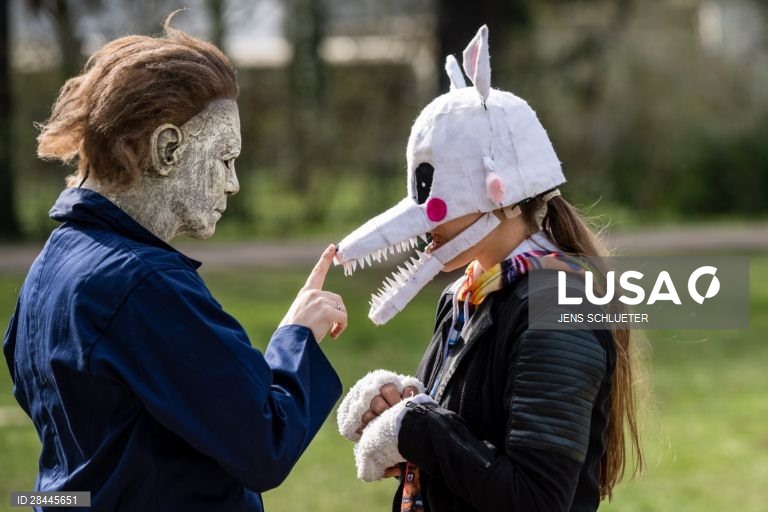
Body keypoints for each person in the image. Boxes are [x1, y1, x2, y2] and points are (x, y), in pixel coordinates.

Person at [3, 15, 347, 512]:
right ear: (167, 149)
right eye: (225, 159)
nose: (233, 183)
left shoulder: (51, 264)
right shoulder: (142, 284)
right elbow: (264, 442)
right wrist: (298, 336)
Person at [334, 26, 643, 511]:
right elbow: (473, 430)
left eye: (432, 191)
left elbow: (536, 499)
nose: (423, 219)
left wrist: (416, 427)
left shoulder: (561, 310)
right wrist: (407, 400)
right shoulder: (466, 294)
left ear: (499, 190)